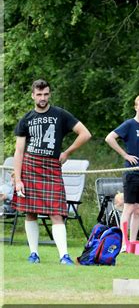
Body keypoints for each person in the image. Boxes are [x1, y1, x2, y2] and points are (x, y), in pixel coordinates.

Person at [12, 79, 91, 265]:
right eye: (39, 94)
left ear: (50, 94)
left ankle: (64, 256)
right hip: (30, 166)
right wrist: (18, 179)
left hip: (51, 168)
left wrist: (67, 152)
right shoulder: (26, 119)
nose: (42, 98)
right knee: (30, 212)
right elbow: (19, 151)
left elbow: (85, 134)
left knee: (56, 213)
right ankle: (34, 254)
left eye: (46, 94)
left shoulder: (60, 114)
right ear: (32, 95)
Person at [105, 95, 139, 249]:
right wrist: (125, 155)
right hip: (132, 173)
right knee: (129, 208)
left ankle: (133, 243)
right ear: (136, 107)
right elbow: (109, 138)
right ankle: (123, 242)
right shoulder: (129, 125)